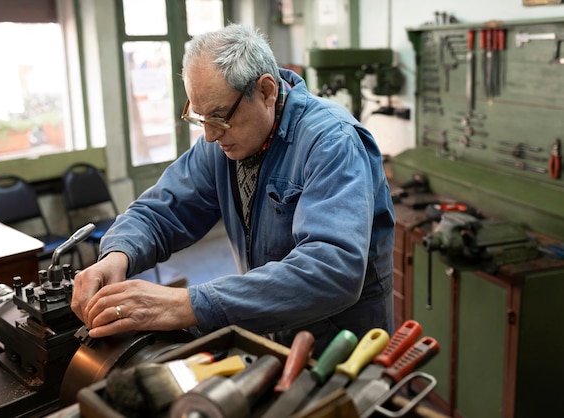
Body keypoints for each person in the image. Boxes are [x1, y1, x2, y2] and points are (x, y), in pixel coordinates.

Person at [70, 23, 395, 357]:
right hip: (271, 338)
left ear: (267, 92)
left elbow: (333, 269)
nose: (209, 135)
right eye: (200, 117)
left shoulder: (332, 143)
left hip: (341, 353)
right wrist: (117, 254)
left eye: (220, 116)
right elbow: (160, 210)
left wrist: (187, 305)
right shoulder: (224, 145)